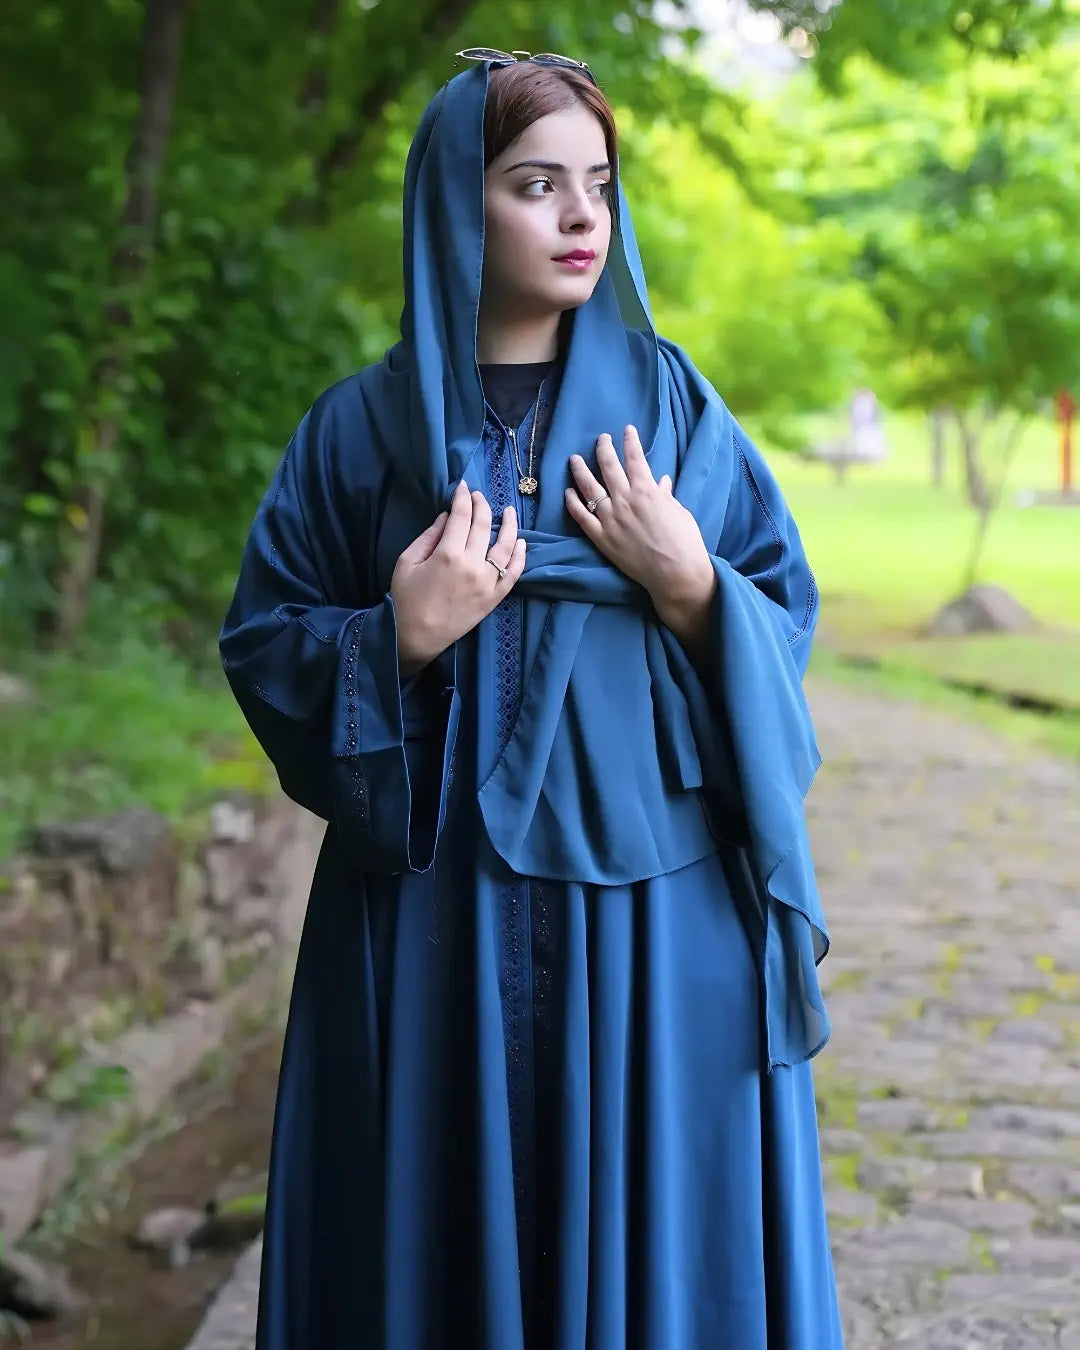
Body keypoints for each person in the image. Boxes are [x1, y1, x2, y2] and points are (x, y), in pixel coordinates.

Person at [220, 48, 843, 1350]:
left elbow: (779, 614)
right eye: (535, 183)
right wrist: (398, 636)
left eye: (598, 186)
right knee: (433, 1244)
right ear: (460, 203)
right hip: (428, 919)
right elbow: (267, 644)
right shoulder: (357, 434)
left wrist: (691, 586)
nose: (579, 218)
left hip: (654, 915)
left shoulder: (676, 415)